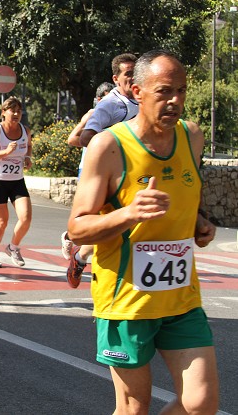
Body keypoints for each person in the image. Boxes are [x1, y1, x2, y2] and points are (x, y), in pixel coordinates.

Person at [67, 50, 219, 414]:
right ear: (137, 91)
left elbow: (187, 196)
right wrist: (130, 214)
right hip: (127, 302)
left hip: (181, 298)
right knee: (134, 407)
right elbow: (78, 228)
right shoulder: (109, 146)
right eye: (164, 91)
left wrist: (199, 221)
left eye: (181, 91)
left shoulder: (192, 137)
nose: (175, 100)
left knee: (201, 403)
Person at [62, 53, 138, 287]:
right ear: (116, 79)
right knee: (111, 227)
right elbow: (86, 138)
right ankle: (80, 254)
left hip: (134, 174)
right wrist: (116, 143)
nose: (133, 77)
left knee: (128, 226)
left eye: (136, 72)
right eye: (128, 74)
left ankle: (81, 257)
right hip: (105, 176)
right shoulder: (110, 105)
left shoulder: (144, 99)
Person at [0, 97, 33, 268]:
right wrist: (5, 152)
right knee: (2, 221)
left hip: (17, 181)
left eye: (19, 111)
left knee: (25, 218)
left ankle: (13, 247)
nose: (16, 114)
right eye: (13, 110)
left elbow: (28, 145)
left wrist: (27, 157)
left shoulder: (25, 130)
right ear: (4, 112)